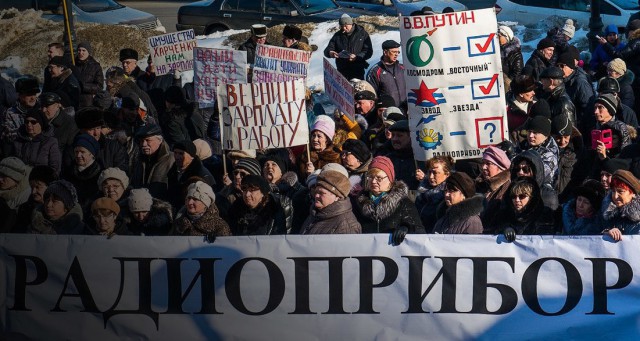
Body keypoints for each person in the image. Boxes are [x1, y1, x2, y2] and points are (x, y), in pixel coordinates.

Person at [354, 156, 425, 244]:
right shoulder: (358, 203)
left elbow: (419, 231)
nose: (373, 182)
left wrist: (407, 228)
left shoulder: (403, 203)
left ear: (390, 180)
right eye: (370, 177)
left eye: (379, 178)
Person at [488, 177, 556, 241]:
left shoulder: (544, 215)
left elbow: (546, 240)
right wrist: (503, 229)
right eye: (513, 196)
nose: (517, 200)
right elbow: (489, 235)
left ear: (532, 197)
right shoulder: (503, 215)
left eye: (522, 196)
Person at [301, 168, 361, 234]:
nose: (316, 196)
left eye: (321, 193)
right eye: (316, 191)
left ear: (337, 196)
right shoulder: (315, 214)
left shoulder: (346, 226)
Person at [131, 124, 175, 200]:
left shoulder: (172, 160)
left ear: (160, 140)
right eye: (142, 141)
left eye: (148, 140)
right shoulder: (138, 160)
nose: (144, 144)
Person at [324, 14, 373, 80]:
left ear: (350, 24)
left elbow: (368, 51)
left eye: (345, 26)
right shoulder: (337, 35)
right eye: (342, 26)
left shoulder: (362, 34)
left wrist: (357, 57)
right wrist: (331, 53)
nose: (344, 28)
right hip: (342, 71)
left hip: (357, 70)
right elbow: (328, 49)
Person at [167, 140, 215, 208]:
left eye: (181, 154)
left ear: (191, 156)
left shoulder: (201, 174)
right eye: (175, 153)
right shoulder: (173, 170)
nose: (177, 157)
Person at [12, 109, 61, 174]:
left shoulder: (51, 142)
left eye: (33, 122)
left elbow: (55, 168)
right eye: (27, 122)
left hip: (42, 180)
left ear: (41, 124)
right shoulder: (18, 141)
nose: (29, 125)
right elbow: (12, 163)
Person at [366, 40, 407, 111]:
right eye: (394, 52)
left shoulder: (402, 68)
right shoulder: (375, 71)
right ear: (385, 52)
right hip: (387, 112)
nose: (396, 54)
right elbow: (371, 96)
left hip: (405, 110)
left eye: (398, 52)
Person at [416, 155, 453, 232]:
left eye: (435, 173)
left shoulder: (449, 197)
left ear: (447, 174)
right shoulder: (421, 194)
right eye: (429, 172)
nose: (431, 176)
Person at [477, 146, 512, 228]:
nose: (483, 167)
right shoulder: (479, 185)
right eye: (483, 163)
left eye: (488, 164)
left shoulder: (509, 188)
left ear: (500, 167)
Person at [15, 165, 57, 232]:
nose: (33, 191)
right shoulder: (24, 209)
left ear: (50, 187)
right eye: (32, 187)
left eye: (38, 187)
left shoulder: (58, 209)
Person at [557, 52, 594, 126]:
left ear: (570, 67)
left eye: (562, 66)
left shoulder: (580, 82)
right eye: (557, 66)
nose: (559, 69)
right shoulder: (564, 80)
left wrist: (581, 124)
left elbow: (588, 106)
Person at [65, 133, 102, 205]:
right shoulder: (68, 171)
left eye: (82, 152)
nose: (78, 155)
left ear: (91, 154)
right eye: (76, 152)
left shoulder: (100, 173)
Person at [1, 76, 40, 145]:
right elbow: (11, 137)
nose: (33, 98)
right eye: (29, 95)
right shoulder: (10, 113)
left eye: (34, 94)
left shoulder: (43, 109)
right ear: (20, 95)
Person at [603, 170, 640, 240]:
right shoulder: (607, 215)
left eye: (620, 191)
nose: (615, 196)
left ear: (633, 193)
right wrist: (606, 233)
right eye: (613, 191)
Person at [0, 157, 32, 232]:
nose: (0, 179)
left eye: (4, 176)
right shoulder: (5, 187)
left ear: (16, 178)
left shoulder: (26, 196)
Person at [73, 42, 104, 108]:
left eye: (83, 50)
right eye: (79, 50)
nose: (81, 52)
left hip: (87, 103)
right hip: (73, 102)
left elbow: (99, 86)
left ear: (88, 52)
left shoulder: (95, 66)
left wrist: (83, 86)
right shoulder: (73, 64)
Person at [506, 75, 537, 142]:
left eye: (533, 90)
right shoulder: (506, 109)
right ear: (521, 94)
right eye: (530, 91)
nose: (534, 93)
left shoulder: (536, 104)